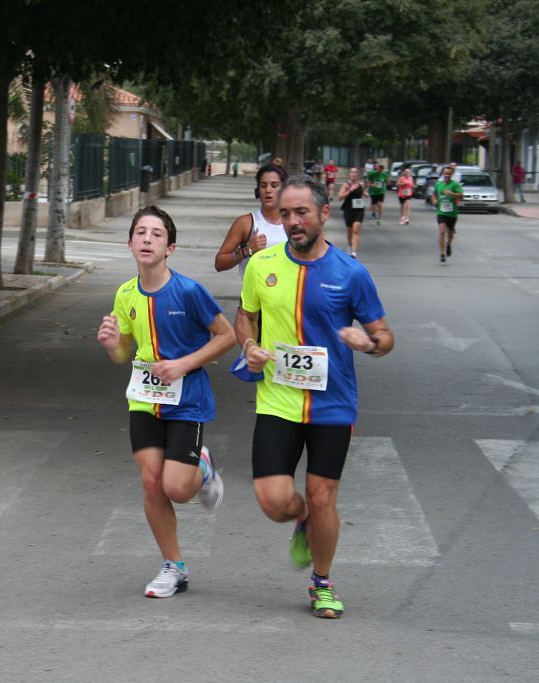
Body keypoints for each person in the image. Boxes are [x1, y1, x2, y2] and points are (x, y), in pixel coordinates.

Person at [234, 174, 394, 620]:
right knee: (272, 501)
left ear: (324, 214)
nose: (293, 221)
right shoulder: (261, 266)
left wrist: (369, 343)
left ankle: (322, 582)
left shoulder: (351, 274)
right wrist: (248, 346)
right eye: (285, 213)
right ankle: (301, 518)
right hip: (278, 399)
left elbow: (385, 337)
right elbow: (244, 316)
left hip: (333, 404)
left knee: (324, 497)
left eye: (302, 212)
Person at [97, 205, 236, 599]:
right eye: (140, 232)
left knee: (177, 488)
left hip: (186, 399)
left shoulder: (189, 292)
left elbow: (226, 336)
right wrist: (113, 344)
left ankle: (202, 467)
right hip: (143, 398)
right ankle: (173, 567)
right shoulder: (125, 294)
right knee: (151, 483)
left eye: (156, 234)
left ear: (170, 247)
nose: (146, 239)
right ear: (129, 243)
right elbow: (124, 353)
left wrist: (183, 365)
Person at [216, 164, 288, 277]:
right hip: (253, 294)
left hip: (289, 293)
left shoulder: (295, 223)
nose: (268, 190)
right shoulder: (246, 223)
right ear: (258, 190)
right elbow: (219, 264)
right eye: (263, 186)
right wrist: (247, 251)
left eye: (274, 185)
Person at [431, 164, 463, 263]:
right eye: (445, 173)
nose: (447, 175)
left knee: (451, 233)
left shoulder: (455, 185)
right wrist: (434, 201)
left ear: (451, 174)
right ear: (443, 174)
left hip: (452, 213)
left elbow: (461, 196)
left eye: (449, 174)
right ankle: (442, 254)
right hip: (441, 212)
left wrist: (452, 194)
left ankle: (448, 243)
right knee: (441, 231)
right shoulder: (438, 184)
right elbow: (434, 195)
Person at [337, 168, 366, 258]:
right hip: (348, 209)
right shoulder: (346, 185)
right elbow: (340, 197)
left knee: (356, 230)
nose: (354, 174)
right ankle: (349, 246)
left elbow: (364, 194)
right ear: (349, 174)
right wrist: (350, 190)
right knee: (349, 230)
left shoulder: (360, 184)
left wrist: (366, 193)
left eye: (356, 173)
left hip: (359, 209)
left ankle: (354, 252)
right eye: (352, 172)